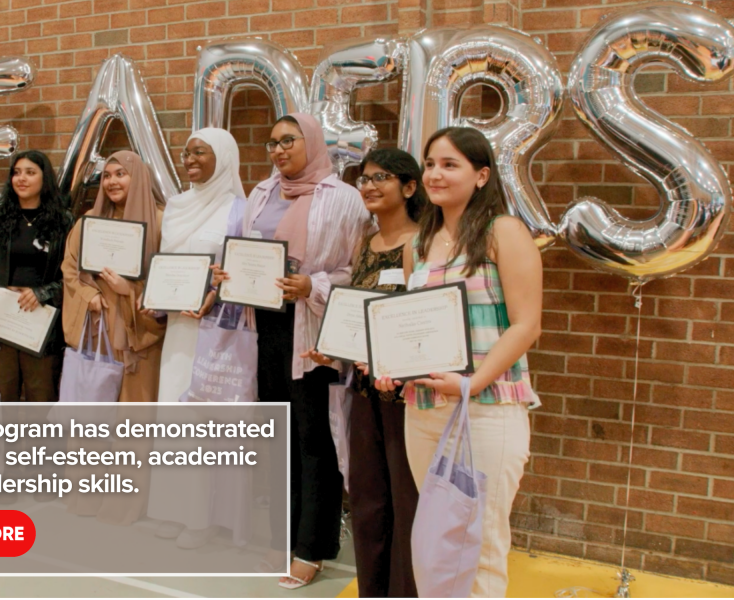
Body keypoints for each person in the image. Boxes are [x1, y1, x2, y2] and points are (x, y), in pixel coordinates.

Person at [371, 126, 542, 598]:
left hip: (485, 407)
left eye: (450, 165)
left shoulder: (502, 231)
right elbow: (411, 327)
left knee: (481, 545)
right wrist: (392, 366)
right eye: (429, 164)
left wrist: (471, 383)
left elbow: (526, 325)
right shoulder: (418, 244)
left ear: (482, 175)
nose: (435, 174)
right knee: (438, 538)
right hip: (423, 409)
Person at [217, 114, 370, 588]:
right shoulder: (260, 194)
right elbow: (244, 251)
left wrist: (312, 284)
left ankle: (312, 547)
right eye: (272, 143)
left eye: (288, 140)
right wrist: (229, 274)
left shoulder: (343, 199)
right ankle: (282, 537)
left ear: (313, 143)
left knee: (312, 440)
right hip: (266, 327)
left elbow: (356, 271)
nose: (279, 150)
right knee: (277, 436)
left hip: (314, 332)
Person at [302, 148, 427, 597]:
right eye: (365, 178)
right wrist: (333, 351)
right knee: (368, 501)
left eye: (382, 178)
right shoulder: (365, 242)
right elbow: (355, 314)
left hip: (405, 395)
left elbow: (417, 323)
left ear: (409, 187)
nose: (370, 186)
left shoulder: (422, 243)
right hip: (363, 389)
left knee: (405, 501)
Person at [145, 128, 246, 549]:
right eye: (185, 152)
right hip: (179, 330)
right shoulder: (178, 205)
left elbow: (241, 269)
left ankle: (203, 519)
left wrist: (213, 296)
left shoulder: (239, 209)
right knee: (173, 415)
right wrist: (155, 297)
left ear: (223, 157)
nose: (189, 159)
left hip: (216, 331)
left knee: (205, 425)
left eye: (199, 152)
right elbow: (167, 264)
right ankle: (172, 509)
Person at [60, 150, 165, 524]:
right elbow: (70, 270)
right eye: (107, 175)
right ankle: (86, 497)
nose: (113, 182)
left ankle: (123, 504)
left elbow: (169, 281)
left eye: (123, 174)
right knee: (90, 420)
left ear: (139, 177)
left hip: (138, 338)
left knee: (132, 423)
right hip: (97, 334)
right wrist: (89, 297)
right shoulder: (89, 221)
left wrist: (128, 291)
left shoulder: (161, 222)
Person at [0, 150, 73, 402]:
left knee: (42, 403)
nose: (21, 178)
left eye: (30, 172)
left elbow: (73, 278)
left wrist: (43, 292)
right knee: (5, 404)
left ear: (44, 178)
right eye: (16, 172)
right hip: (1, 327)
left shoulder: (63, 222)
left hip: (43, 328)